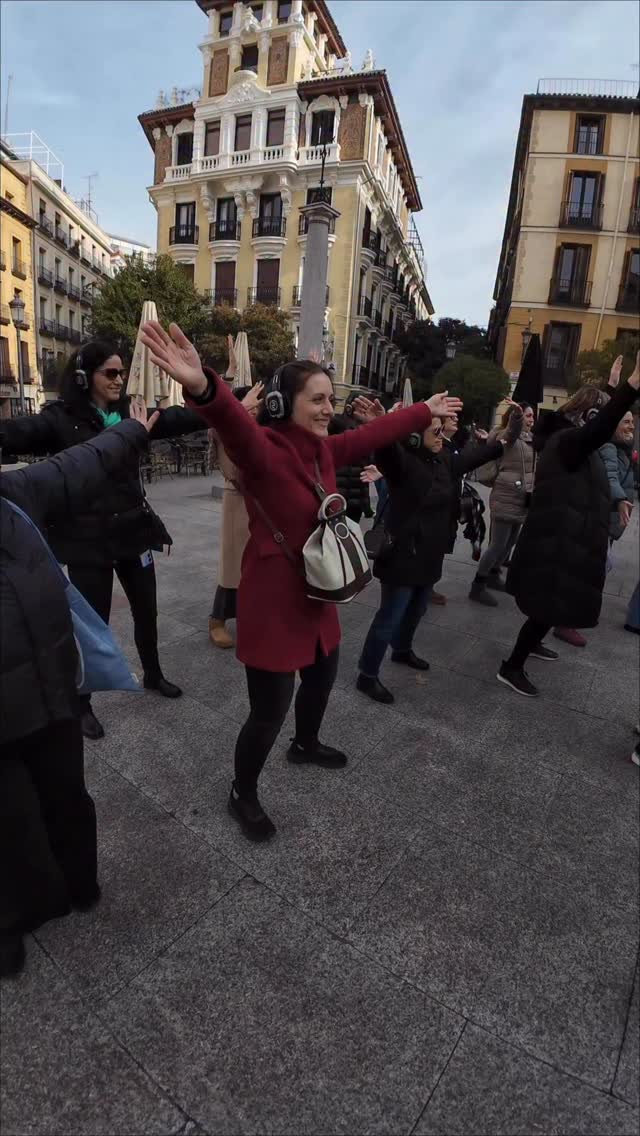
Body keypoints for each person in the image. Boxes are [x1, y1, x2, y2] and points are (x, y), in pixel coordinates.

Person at [140, 319, 462, 842]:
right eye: (317, 399)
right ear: (281, 405)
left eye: (331, 399)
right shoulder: (264, 451)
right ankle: (242, 792)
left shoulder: (322, 451)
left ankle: (306, 744)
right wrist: (203, 386)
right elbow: (233, 425)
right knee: (268, 713)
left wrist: (424, 411)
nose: (328, 408)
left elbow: (370, 435)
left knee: (321, 679)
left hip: (317, 599)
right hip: (272, 604)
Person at [0, 402, 158, 978]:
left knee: (67, 796)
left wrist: (138, 429)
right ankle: (10, 921)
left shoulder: (15, 495)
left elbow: (82, 461)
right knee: (9, 819)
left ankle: (78, 881)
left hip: (53, 691)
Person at [0, 341, 208, 741]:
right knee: (92, 625)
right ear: (84, 378)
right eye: (109, 373)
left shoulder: (132, 414)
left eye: (121, 372)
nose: (118, 379)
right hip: (87, 542)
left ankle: (153, 673)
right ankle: (82, 704)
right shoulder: (59, 420)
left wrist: (224, 400)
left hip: (133, 532)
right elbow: (19, 432)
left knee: (148, 611)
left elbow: (183, 418)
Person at [498, 353, 640, 697]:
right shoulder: (568, 443)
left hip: (565, 538)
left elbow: (594, 424)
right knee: (546, 606)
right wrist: (630, 387)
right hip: (556, 542)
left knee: (552, 605)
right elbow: (598, 427)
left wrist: (610, 385)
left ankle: (530, 647)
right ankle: (511, 666)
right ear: (587, 418)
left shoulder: (571, 441)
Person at [356, 414, 512, 705]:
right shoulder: (402, 464)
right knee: (390, 615)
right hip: (403, 554)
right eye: (435, 431)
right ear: (414, 437)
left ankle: (402, 650)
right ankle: (367, 674)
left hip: (430, 553)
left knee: (416, 610)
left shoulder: (443, 459)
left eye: (442, 431)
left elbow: (474, 457)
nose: (441, 436)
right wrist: (390, 423)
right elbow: (386, 449)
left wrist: (502, 441)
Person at [209, 381, 264, 649]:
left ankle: (250, 618)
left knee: (254, 568)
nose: (256, 409)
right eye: (251, 404)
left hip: (261, 504)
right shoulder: (225, 430)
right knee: (232, 567)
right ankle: (217, 619)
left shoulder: (262, 430)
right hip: (237, 500)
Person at [469, 403, 535, 606]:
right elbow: (512, 431)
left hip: (521, 496)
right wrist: (516, 417)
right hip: (506, 495)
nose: (532, 419)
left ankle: (493, 574)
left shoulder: (529, 439)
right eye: (528, 415)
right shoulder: (505, 435)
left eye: (533, 416)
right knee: (498, 544)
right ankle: (478, 585)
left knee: (510, 541)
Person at [327, 391, 376, 524]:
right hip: (337, 497)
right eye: (361, 405)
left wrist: (366, 507)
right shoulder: (338, 423)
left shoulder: (368, 431)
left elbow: (366, 470)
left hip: (356, 502)